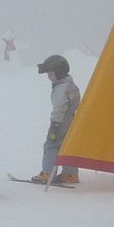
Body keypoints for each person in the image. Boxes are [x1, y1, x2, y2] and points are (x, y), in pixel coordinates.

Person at [31, 54, 81, 184]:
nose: (48, 77)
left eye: (50, 74)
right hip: (72, 119)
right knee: (68, 145)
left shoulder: (61, 88)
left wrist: (55, 125)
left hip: (61, 121)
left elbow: (59, 108)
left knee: (51, 145)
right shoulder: (71, 84)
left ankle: (48, 173)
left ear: (59, 73)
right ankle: (70, 174)